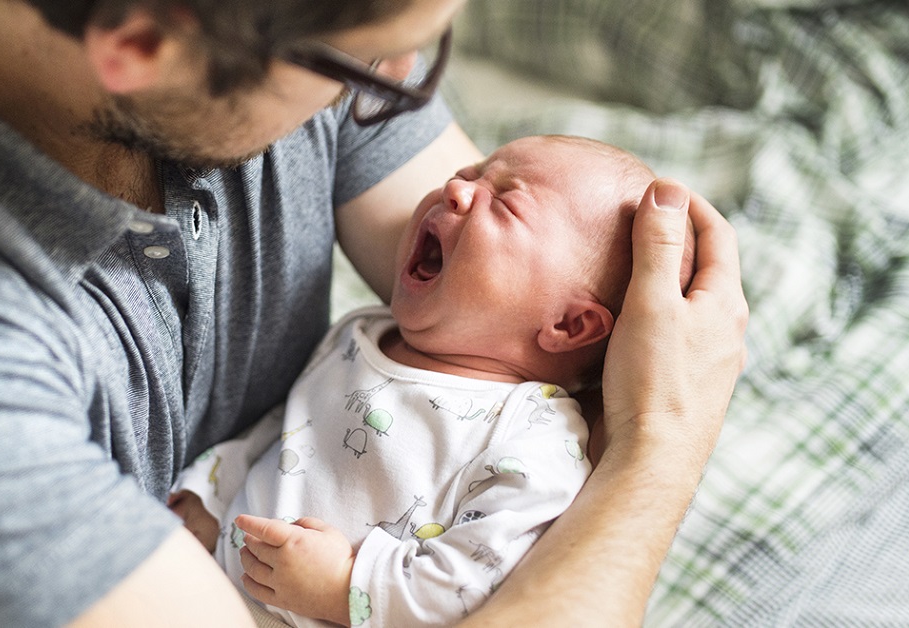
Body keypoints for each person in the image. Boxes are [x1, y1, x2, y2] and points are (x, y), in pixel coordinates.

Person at [0, 0, 748, 626]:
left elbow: (512, 318)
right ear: (140, 40)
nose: (398, 91)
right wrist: (661, 444)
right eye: (373, 62)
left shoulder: (267, 42)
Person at [168, 135, 695, 626]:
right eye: (473, 171)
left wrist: (345, 585)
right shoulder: (363, 333)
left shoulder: (536, 438)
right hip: (200, 584)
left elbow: (473, 581)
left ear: (567, 325)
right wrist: (212, 493)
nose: (457, 189)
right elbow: (288, 429)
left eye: (507, 202)